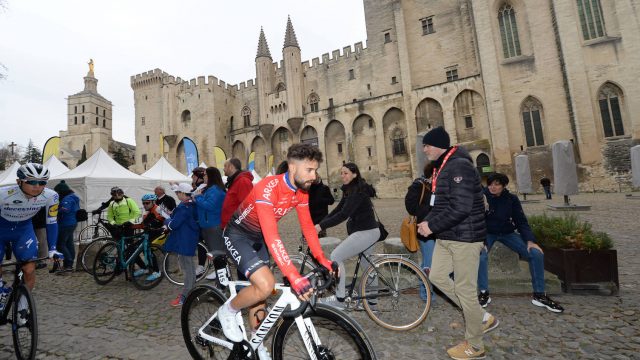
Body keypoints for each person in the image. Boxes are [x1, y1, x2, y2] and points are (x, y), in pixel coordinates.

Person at [217, 144, 336, 360]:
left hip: (258, 238)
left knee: (260, 297)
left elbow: (308, 227)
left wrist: (322, 258)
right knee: (265, 284)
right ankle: (228, 310)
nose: (314, 176)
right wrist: (293, 275)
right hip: (237, 235)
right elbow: (273, 235)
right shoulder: (268, 187)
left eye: (315, 170)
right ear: (292, 167)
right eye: (309, 170)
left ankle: (256, 343)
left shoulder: (301, 192)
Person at [416, 127, 498, 360]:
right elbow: (441, 205)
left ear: (439, 145)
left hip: (465, 238)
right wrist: (428, 222)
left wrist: (431, 226)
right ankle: (481, 317)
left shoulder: (459, 165)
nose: (424, 149)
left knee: (465, 291)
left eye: (427, 145)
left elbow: (461, 207)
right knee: (437, 276)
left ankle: (475, 345)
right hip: (447, 235)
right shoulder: (443, 166)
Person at [477, 173, 564, 313]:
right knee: (481, 255)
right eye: (491, 184)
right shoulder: (481, 197)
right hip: (488, 233)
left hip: (508, 233)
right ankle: (483, 292)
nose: (493, 187)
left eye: (497, 184)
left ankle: (540, 294)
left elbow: (521, 221)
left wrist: (530, 241)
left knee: (535, 254)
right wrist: (481, 241)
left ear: (503, 186)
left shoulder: (511, 199)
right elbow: (476, 220)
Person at [0, 164, 64, 318]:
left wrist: (53, 248)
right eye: (32, 182)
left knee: (29, 269)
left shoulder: (51, 196)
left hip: (23, 230)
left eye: (42, 182)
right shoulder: (3, 194)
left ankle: (23, 305)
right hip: (1, 229)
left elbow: (52, 222)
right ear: (19, 181)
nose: (37, 187)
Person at [315, 163, 379, 309]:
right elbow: (337, 210)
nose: (343, 176)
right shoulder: (350, 189)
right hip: (369, 231)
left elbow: (344, 214)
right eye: (341, 173)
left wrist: (320, 226)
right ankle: (372, 303)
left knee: (336, 256)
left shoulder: (357, 191)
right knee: (367, 265)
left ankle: (340, 299)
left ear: (354, 174)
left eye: (346, 173)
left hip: (366, 232)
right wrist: (320, 224)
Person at [405, 161, 436, 301]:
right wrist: (429, 212)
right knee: (428, 263)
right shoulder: (419, 184)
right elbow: (410, 206)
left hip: (439, 229)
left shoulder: (437, 187)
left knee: (435, 263)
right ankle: (426, 294)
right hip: (425, 231)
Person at [164, 183, 200, 307]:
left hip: (184, 240)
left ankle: (187, 296)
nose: (177, 194)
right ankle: (190, 293)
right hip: (189, 239)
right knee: (189, 268)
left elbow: (174, 224)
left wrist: (167, 220)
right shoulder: (191, 205)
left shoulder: (183, 207)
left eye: (178, 193)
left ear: (184, 194)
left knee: (188, 269)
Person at [193, 167, 227, 285]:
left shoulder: (216, 190)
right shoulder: (210, 189)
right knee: (215, 255)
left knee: (218, 256)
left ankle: (222, 284)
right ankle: (221, 282)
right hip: (208, 226)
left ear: (212, 176)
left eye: (206, 174)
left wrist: (198, 197)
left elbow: (210, 206)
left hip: (213, 227)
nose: (204, 177)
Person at [131, 193, 165, 282]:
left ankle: (157, 272)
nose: (145, 205)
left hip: (160, 233)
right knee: (133, 248)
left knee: (148, 249)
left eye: (147, 203)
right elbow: (143, 225)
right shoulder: (146, 211)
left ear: (153, 202)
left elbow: (166, 219)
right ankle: (144, 268)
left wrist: (155, 224)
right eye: (143, 203)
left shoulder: (158, 209)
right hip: (149, 233)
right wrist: (131, 226)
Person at [54, 180, 80, 272]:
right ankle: (69, 264)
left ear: (61, 191)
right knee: (69, 244)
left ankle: (68, 263)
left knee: (60, 244)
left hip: (66, 223)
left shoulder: (67, 199)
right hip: (72, 222)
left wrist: (55, 210)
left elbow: (65, 209)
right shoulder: (74, 197)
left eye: (57, 192)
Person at [220, 158, 254, 229]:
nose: (223, 169)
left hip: (236, 227)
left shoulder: (243, 181)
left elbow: (247, 206)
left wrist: (238, 226)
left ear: (231, 167)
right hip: (231, 225)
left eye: (225, 166)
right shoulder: (234, 181)